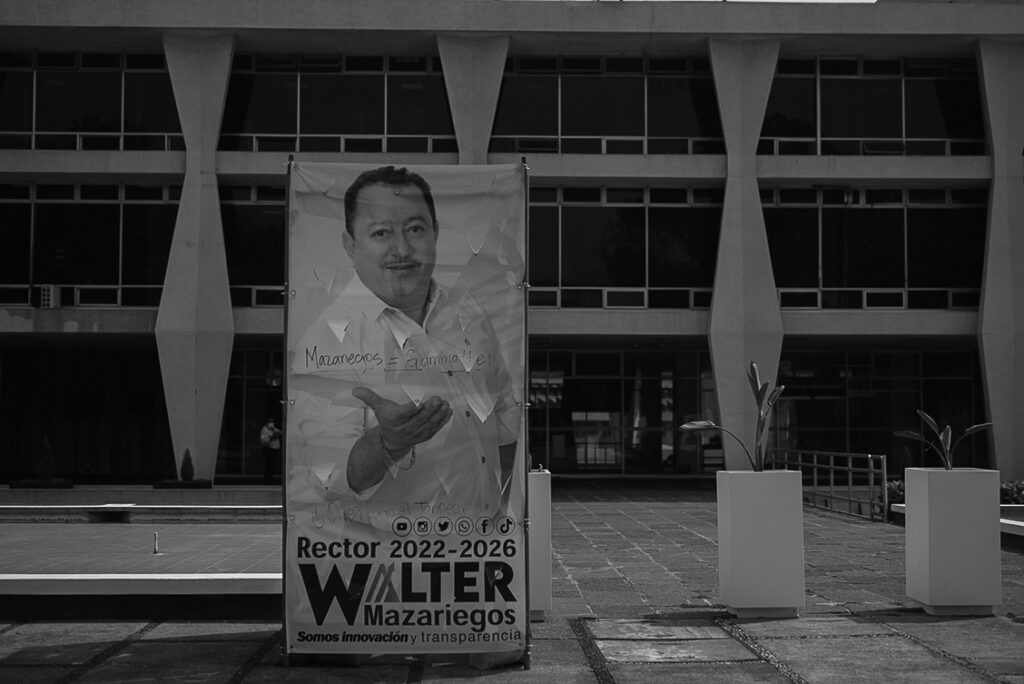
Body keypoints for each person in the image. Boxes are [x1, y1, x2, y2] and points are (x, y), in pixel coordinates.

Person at [288, 166, 521, 531]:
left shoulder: (469, 314)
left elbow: (503, 416)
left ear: (435, 234)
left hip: (483, 557)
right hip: (390, 571)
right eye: (381, 233)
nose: (402, 249)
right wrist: (388, 443)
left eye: (415, 229)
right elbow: (328, 477)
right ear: (350, 245)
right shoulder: (329, 340)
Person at [259, 417, 282, 484]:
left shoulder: (273, 429)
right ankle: (267, 481)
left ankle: (270, 479)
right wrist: (272, 437)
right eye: (270, 422)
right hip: (268, 449)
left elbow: (280, 433)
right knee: (269, 465)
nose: (271, 423)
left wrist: (276, 433)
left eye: (272, 422)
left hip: (274, 449)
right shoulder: (264, 430)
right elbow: (263, 441)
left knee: (273, 466)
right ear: (267, 423)